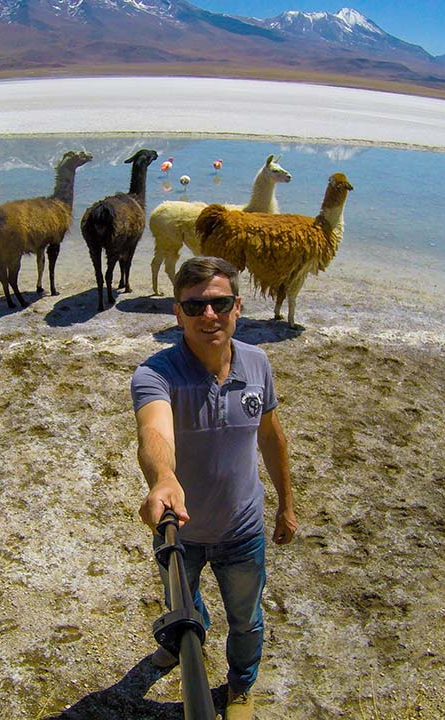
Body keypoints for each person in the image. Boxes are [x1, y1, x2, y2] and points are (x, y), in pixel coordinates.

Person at [130, 256, 297, 720]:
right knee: (181, 605)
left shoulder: (258, 363)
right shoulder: (155, 374)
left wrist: (286, 504)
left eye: (219, 303)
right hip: (179, 533)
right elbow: (155, 431)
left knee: (247, 619)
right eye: (195, 305)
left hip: (243, 530)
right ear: (177, 312)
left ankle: (241, 688)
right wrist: (163, 477)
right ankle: (186, 638)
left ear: (237, 307)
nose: (209, 315)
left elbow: (270, 436)